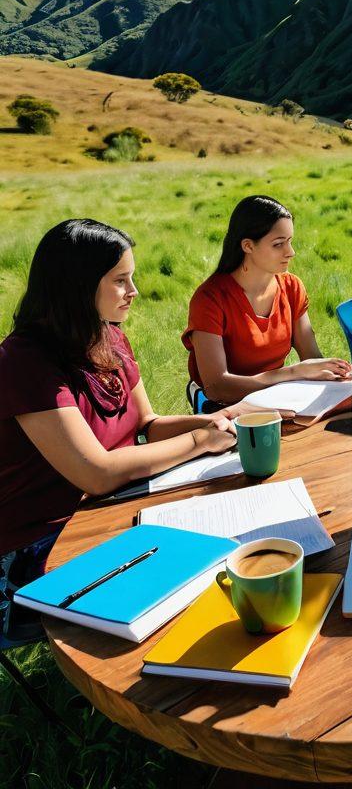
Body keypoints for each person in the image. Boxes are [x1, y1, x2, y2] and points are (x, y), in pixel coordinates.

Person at [0, 220, 241, 645]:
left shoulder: (109, 337)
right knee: (182, 584)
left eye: (132, 278)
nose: (134, 291)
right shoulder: (24, 361)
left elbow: (147, 426)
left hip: (110, 509)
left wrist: (211, 422)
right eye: (120, 281)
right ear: (77, 286)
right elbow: (95, 472)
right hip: (36, 544)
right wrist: (199, 441)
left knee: (226, 545)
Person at [183, 196, 351, 408]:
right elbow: (217, 387)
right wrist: (291, 373)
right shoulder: (209, 299)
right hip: (226, 409)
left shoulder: (291, 287)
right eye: (278, 244)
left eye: (290, 241)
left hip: (280, 399)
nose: (291, 252)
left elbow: (312, 359)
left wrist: (336, 373)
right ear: (248, 246)